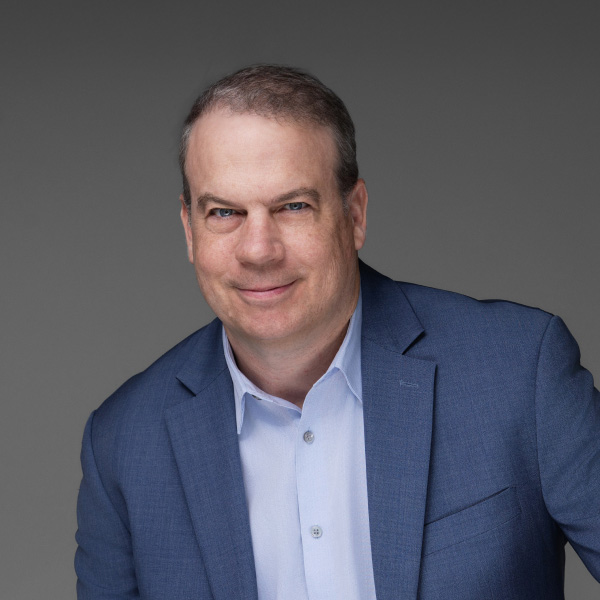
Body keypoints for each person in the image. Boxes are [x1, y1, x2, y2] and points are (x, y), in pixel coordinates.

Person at [75, 65, 600, 600]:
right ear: (190, 231)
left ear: (355, 215)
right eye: (225, 212)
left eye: (293, 206)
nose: (259, 250)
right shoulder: (122, 443)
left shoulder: (519, 373)